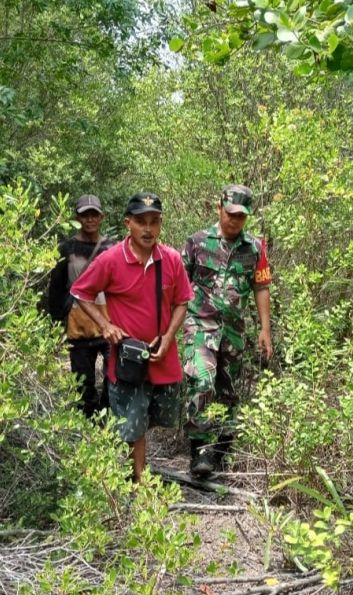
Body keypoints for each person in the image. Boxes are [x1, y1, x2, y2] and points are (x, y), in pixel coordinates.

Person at [71, 192, 194, 483]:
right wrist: (105, 325)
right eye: (141, 222)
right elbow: (80, 291)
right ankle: (137, 481)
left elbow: (182, 301)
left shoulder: (172, 259)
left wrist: (167, 338)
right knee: (133, 421)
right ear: (128, 223)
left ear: (161, 224)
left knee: (162, 415)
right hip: (129, 360)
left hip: (163, 357)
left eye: (154, 222)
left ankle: (130, 455)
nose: (148, 229)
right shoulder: (111, 259)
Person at [182, 184, 273, 478]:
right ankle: (199, 450)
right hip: (200, 325)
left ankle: (223, 447)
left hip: (233, 330)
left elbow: (261, 287)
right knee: (202, 379)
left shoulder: (255, 248)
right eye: (230, 213)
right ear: (219, 208)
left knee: (228, 390)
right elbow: (179, 286)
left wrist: (265, 330)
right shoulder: (197, 242)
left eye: (241, 216)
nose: (234, 221)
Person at [47, 194, 114, 416]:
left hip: (108, 325)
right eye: (85, 214)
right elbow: (55, 288)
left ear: (102, 217)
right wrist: (58, 321)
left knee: (113, 379)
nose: (90, 219)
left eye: (94, 214)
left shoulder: (111, 248)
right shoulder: (66, 249)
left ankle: (107, 422)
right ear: (77, 217)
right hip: (78, 327)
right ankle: (88, 428)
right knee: (83, 385)